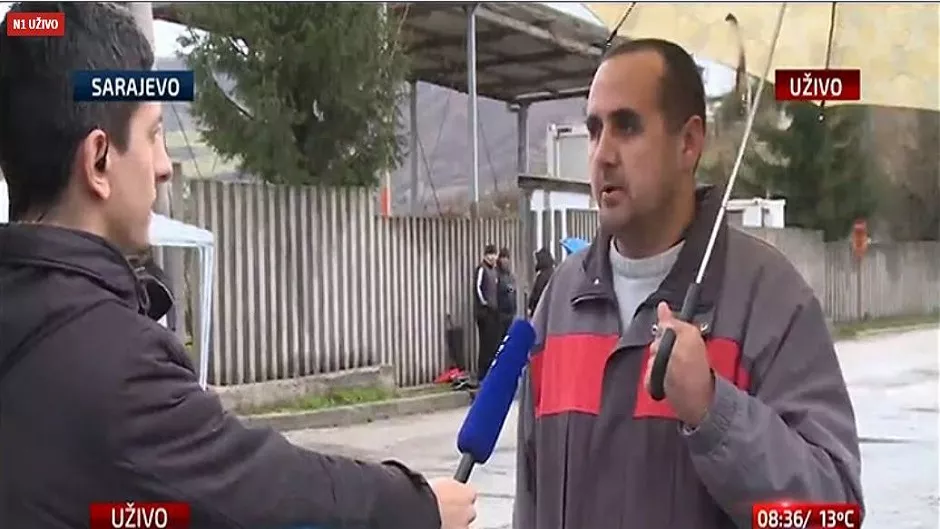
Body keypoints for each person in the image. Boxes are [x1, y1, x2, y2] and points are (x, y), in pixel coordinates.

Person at [0, 4, 476, 529]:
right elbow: (268, 492)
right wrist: (418, 508)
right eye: (154, 135)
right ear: (98, 160)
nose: (164, 166)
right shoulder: (113, 367)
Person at [513, 39, 863, 529]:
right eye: (594, 130)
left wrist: (713, 411)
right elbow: (531, 504)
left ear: (689, 142)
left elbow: (832, 510)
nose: (602, 154)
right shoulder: (560, 302)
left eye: (627, 127)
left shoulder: (771, 300)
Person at [472, 244, 499, 381]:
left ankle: (488, 371)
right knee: (484, 343)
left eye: (494, 254)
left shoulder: (494, 271)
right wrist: (485, 303)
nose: (493, 257)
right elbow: (477, 288)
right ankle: (482, 373)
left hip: (493, 312)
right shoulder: (481, 269)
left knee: (491, 344)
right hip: (484, 313)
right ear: (485, 255)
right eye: (490, 254)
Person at [495, 247, 517, 337]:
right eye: (503, 258)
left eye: (507, 258)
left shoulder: (510, 275)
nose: (505, 261)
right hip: (500, 313)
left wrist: (514, 308)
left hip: (510, 312)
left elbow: (514, 292)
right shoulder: (496, 273)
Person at [526, 247, 555, 318]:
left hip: (541, 311)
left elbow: (537, 294)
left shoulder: (542, 276)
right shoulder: (554, 273)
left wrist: (531, 307)